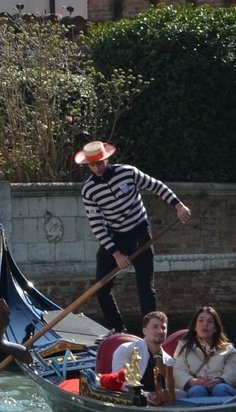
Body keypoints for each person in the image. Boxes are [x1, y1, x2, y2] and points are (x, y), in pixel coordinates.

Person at [77, 140, 190, 333]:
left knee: (145, 288)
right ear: (88, 165)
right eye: (92, 165)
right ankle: (118, 331)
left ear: (107, 159)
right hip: (115, 238)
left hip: (140, 235)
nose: (96, 168)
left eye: (100, 163)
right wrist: (116, 254)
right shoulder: (88, 191)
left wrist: (178, 205)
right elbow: (96, 225)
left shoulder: (128, 172)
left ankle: (151, 333)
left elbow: (156, 186)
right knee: (101, 288)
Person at [172, 305, 236, 401]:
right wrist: (193, 381)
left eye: (210, 321)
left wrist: (219, 381)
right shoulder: (183, 347)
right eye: (201, 321)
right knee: (198, 390)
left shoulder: (229, 350)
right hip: (194, 388)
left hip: (221, 387)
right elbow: (178, 370)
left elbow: (233, 374)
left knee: (221, 388)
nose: (205, 324)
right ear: (195, 326)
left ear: (216, 328)